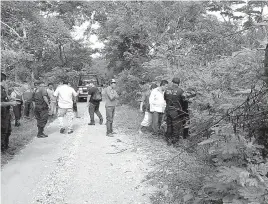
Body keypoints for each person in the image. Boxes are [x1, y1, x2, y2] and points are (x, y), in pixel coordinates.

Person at [164, 77, 185, 145]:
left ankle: (168, 140)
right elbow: (183, 102)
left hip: (168, 110)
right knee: (176, 127)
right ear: (178, 84)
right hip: (176, 112)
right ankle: (175, 141)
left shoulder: (167, 90)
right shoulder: (180, 91)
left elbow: (165, 99)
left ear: (172, 82)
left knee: (169, 125)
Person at [1, 72, 19, 151]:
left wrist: (10, 99)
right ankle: (3, 149)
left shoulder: (2, 89)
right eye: (6, 81)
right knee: (3, 132)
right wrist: (11, 103)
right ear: (3, 80)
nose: (6, 83)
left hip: (6, 114)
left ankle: (6, 147)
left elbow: (4, 99)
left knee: (8, 131)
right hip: (2, 115)